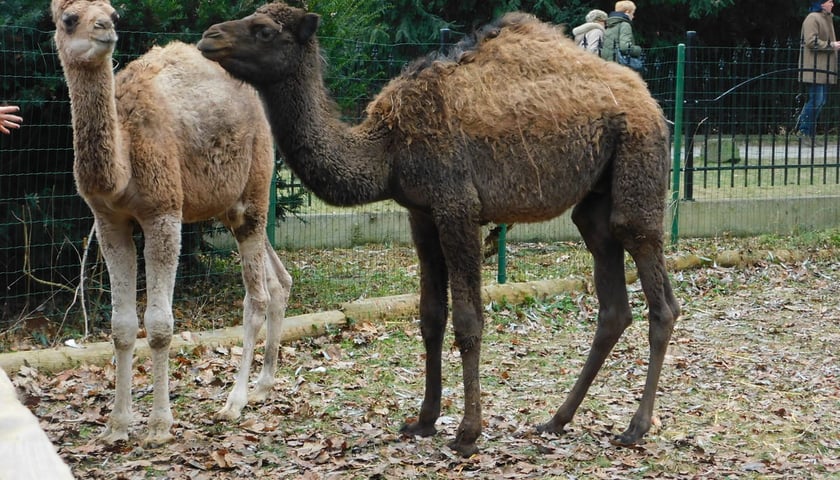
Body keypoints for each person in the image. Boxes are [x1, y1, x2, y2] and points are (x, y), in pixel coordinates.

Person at [794, 0, 840, 141]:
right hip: (814, 68)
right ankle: (803, 131)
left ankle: (806, 131)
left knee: (820, 101)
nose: (832, 4)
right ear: (821, 4)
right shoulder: (812, 18)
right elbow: (810, 41)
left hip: (823, 69)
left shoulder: (827, 18)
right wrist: (831, 45)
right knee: (816, 100)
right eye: (829, 2)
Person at [600, 1, 642, 66]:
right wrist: (638, 50)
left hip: (607, 62)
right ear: (627, 12)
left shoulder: (610, 23)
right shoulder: (625, 24)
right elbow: (625, 47)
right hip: (618, 64)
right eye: (632, 13)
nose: (633, 16)